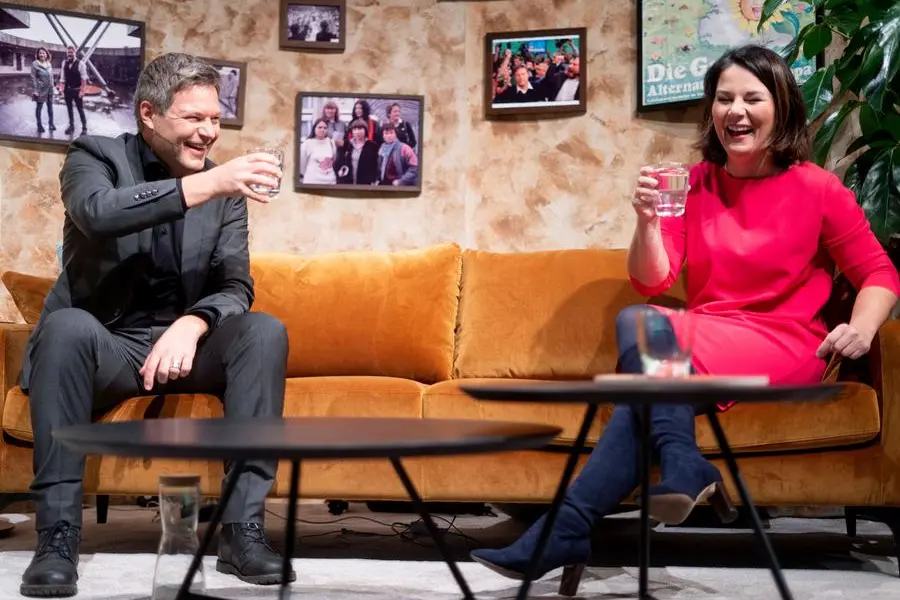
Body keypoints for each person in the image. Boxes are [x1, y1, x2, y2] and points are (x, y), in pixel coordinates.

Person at [471, 43, 900, 583]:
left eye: (751, 98)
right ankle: (623, 495)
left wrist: (861, 328)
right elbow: (653, 278)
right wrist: (647, 221)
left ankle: (589, 516)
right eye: (723, 99)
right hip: (706, 342)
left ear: (783, 107)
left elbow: (880, 272)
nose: (735, 112)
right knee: (643, 352)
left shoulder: (818, 188)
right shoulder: (692, 185)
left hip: (787, 341)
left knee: (641, 327)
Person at [18, 52, 293, 598]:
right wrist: (208, 186)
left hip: (185, 351)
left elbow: (235, 285)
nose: (209, 133)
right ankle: (57, 537)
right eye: (194, 119)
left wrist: (193, 323)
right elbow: (98, 212)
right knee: (67, 326)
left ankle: (242, 531)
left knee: (265, 331)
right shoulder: (93, 156)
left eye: (215, 119)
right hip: (108, 348)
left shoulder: (224, 195)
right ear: (149, 113)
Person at [59, 46, 87, 136]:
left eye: (71, 52)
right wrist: (61, 89)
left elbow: (84, 79)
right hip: (68, 90)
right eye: (68, 52)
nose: (70, 54)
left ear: (75, 53)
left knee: (80, 109)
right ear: (66, 53)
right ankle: (71, 126)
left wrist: (82, 91)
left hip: (77, 90)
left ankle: (84, 128)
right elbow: (62, 77)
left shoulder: (81, 64)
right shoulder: (64, 63)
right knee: (69, 109)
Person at [31, 47, 56, 134]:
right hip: (40, 89)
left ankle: (51, 124)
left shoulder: (49, 63)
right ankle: (39, 125)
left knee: (50, 108)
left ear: (46, 54)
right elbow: (33, 77)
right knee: (39, 108)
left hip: (50, 89)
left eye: (43, 53)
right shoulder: (35, 64)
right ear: (38, 54)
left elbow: (51, 76)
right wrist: (35, 90)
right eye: (40, 53)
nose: (42, 54)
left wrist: (53, 87)